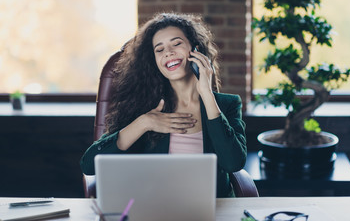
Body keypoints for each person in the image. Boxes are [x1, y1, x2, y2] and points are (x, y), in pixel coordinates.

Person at [80, 12, 247, 198]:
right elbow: (89, 165)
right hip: (156, 210)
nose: (168, 52)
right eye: (159, 49)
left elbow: (233, 163)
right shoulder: (144, 106)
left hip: (213, 211)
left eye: (176, 44)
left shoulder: (227, 105)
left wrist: (207, 94)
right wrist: (144, 123)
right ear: (155, 61)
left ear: (196, 50)